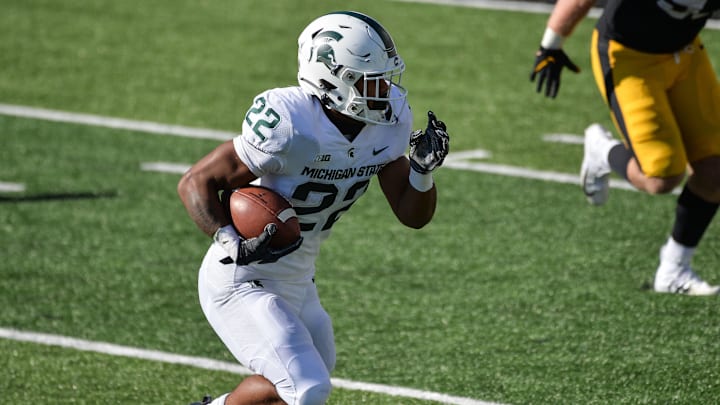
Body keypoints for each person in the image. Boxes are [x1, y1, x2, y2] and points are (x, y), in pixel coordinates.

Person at [177, 10, 450, 405]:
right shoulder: (289, 120)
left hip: (299, 276)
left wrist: (422, 171)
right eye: (371, 81)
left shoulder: (389, 123)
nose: (385, 91)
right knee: (306, 387)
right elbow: (196, 182)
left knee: (301, 379)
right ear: (334, 79)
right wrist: (229, 239)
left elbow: (412, 215)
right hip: (241, 276)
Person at [530, 0, 720, 295]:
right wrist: (550, 46)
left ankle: (674, 269)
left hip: (685, 52)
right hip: (629, 56)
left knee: (715, 170)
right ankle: (601, 150)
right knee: (661, 177)